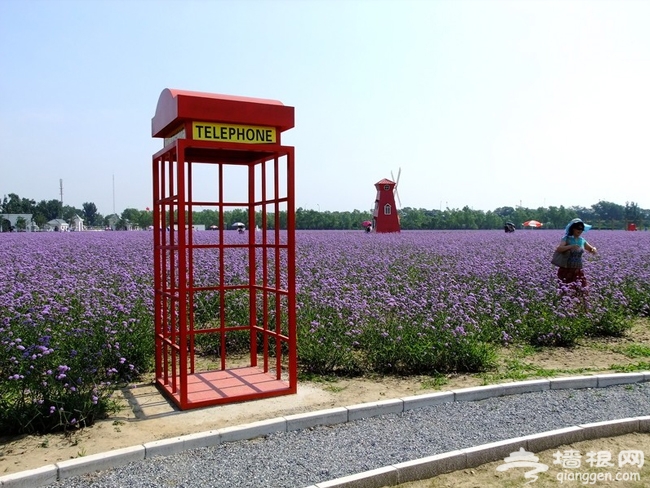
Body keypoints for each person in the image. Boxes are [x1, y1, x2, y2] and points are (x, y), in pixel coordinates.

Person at [555, 218, 597, 287]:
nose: (580, 230)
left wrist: (594, 250)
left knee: (580, 290)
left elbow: (591, 249)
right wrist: (571, 246)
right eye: (578, 228)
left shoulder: (582, 240)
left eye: (582, 229)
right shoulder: (566, 238)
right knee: (566, 289)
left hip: (577, 270)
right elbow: (559, 249)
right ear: (573, 228)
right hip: (566, 269)